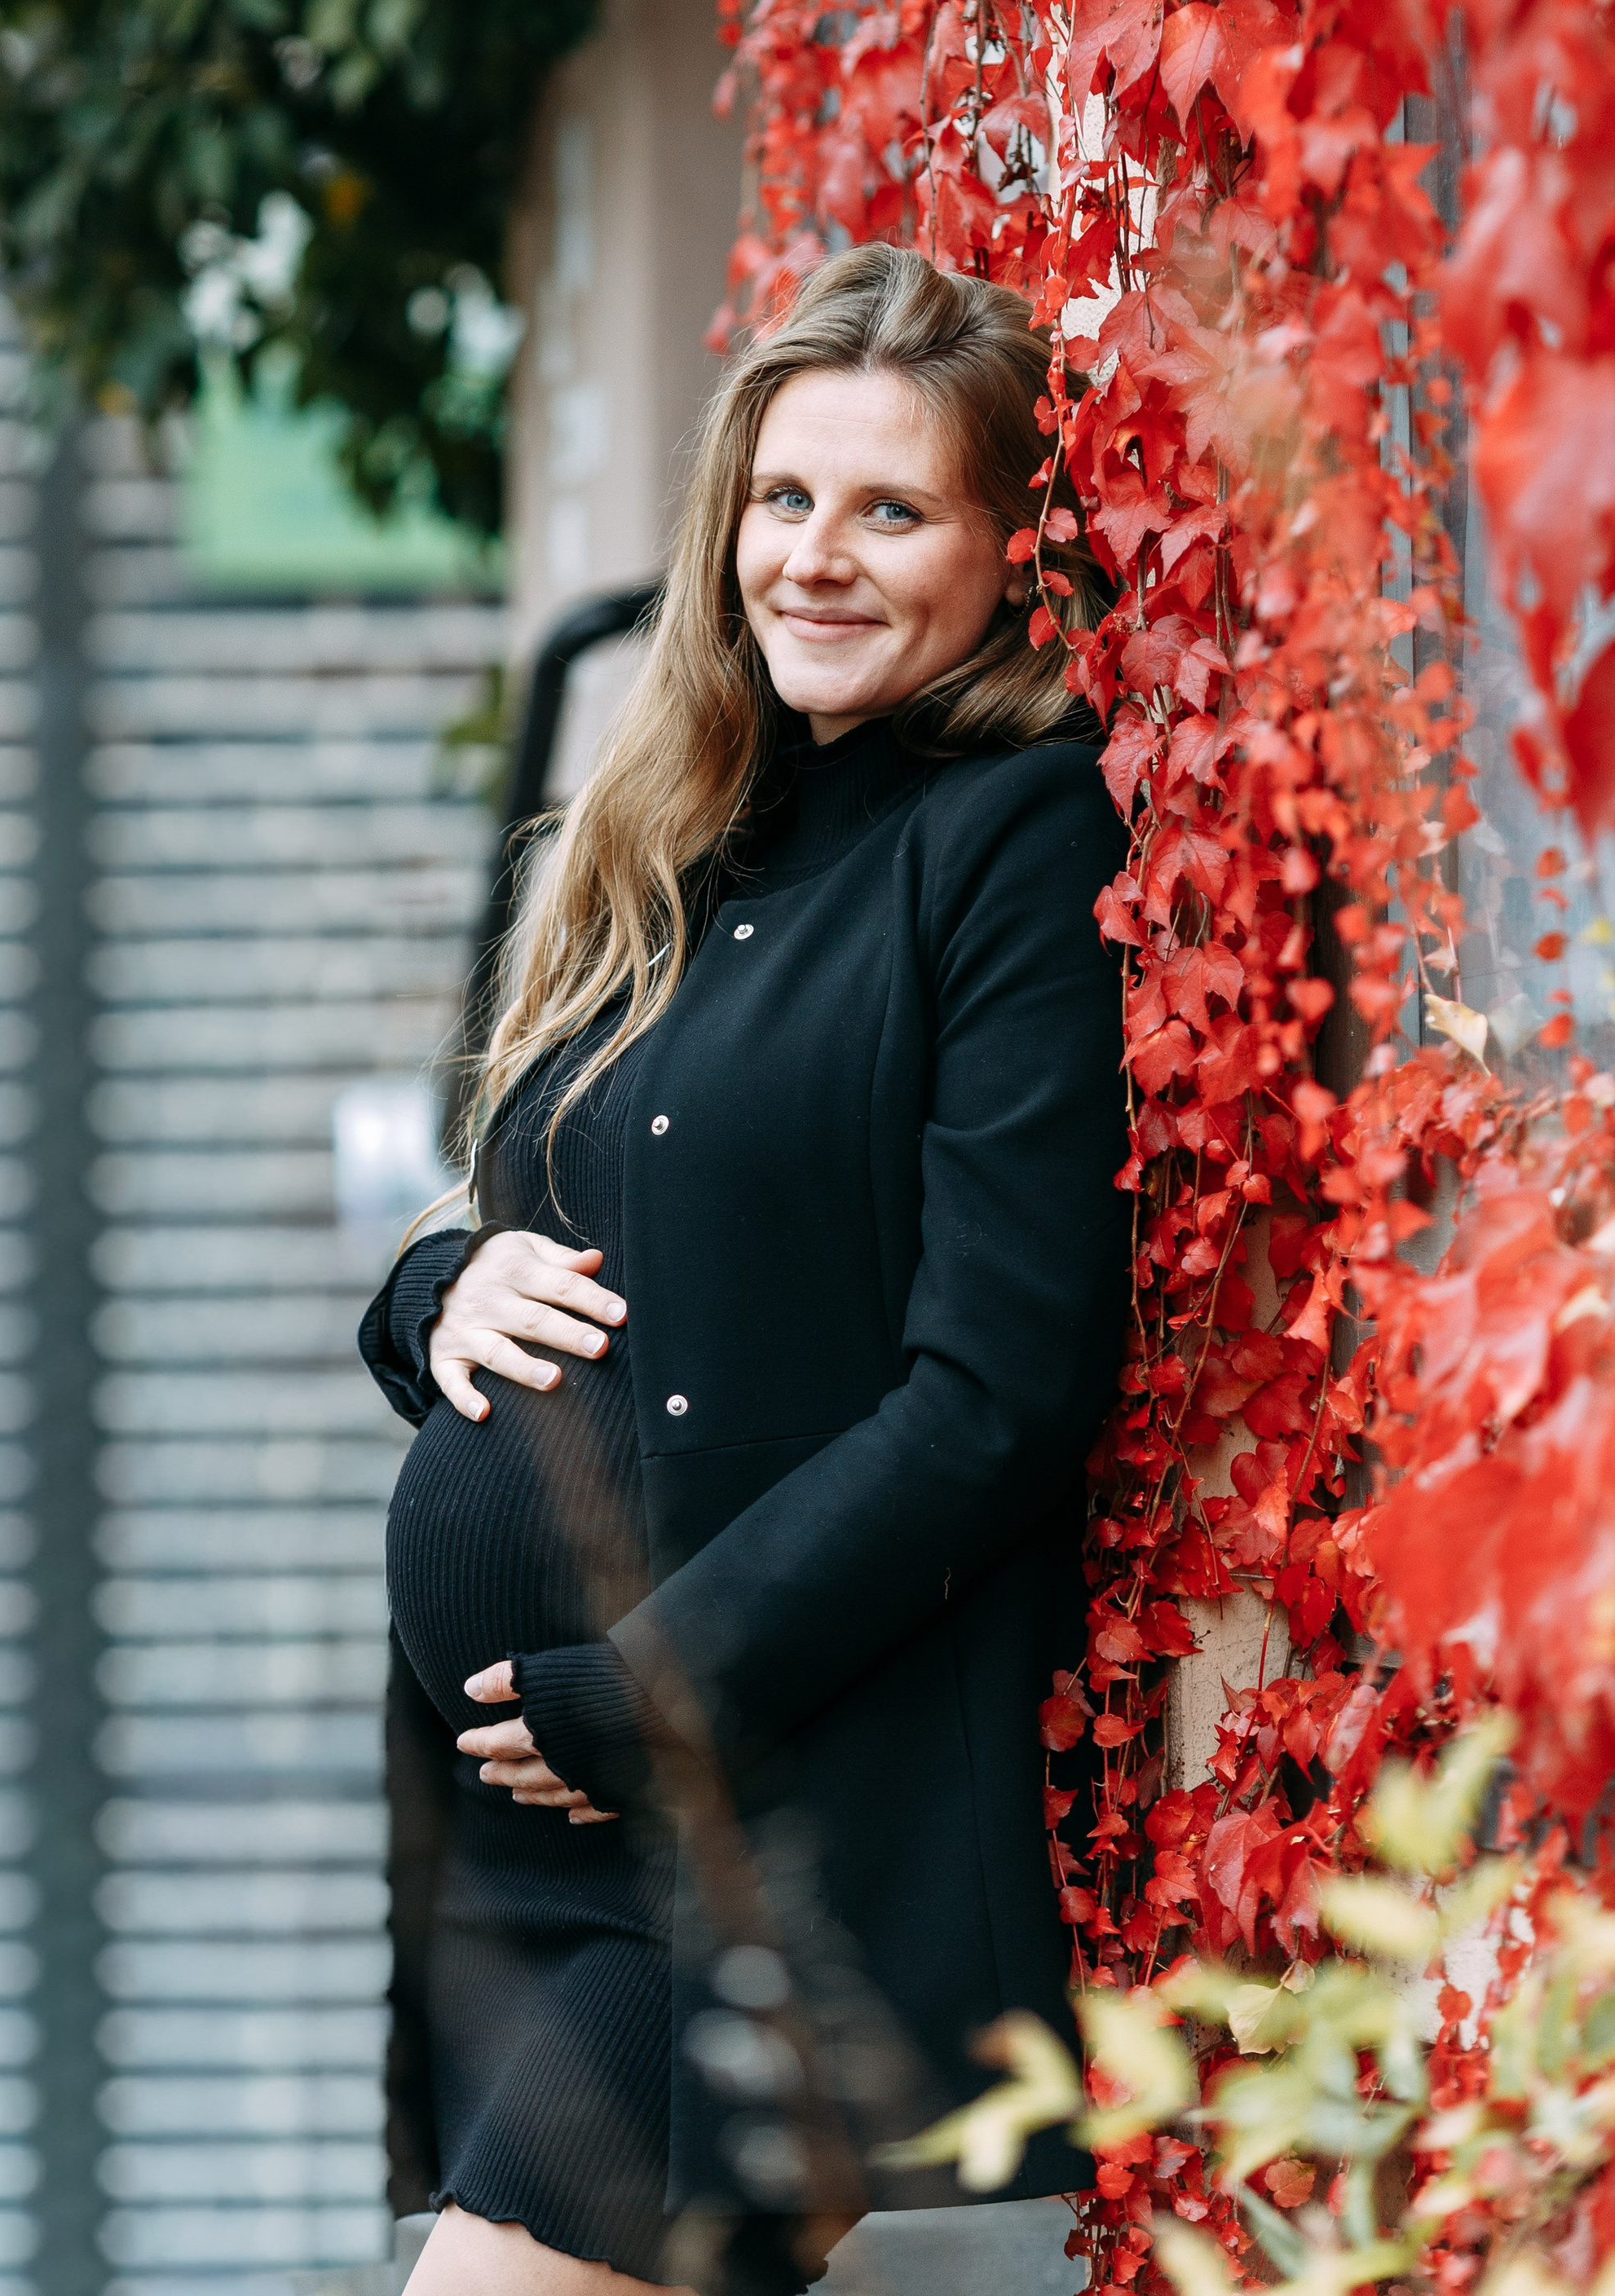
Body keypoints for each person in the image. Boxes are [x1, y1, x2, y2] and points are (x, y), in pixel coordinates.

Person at [358, 245, 1130, 2296]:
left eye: (893, 509)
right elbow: (520, 1208)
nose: (817, 557)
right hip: (542, 1851)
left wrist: (663, 1697)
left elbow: (1001, 1389)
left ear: (997, 547)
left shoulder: (1009, 838)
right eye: (784, 500)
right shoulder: (676, 821)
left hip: (761, 1836)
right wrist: (430, 1299)